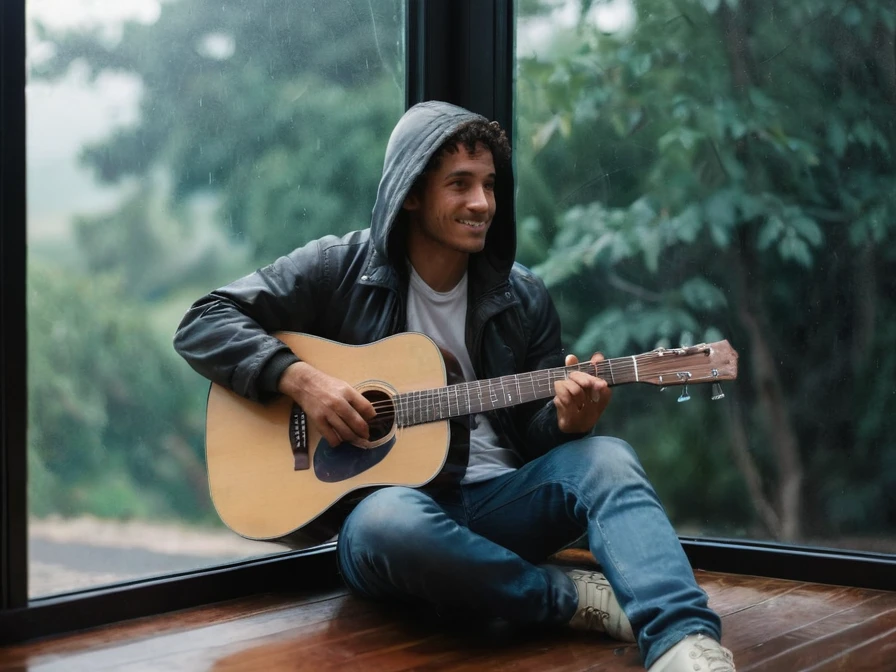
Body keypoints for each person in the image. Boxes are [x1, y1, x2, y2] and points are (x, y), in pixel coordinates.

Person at [173, 100, 736, 671]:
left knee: (608, 458)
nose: (482, 204)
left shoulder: (523, 296)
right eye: (460, 185)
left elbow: (538, 439)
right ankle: (566, 598)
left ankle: (684, 641)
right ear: (410, 193)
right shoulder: (337, 267)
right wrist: (301, 379)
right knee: (388, 520)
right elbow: (203, 321)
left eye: (490, 185)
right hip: (396, 526)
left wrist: (570, 423)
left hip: (504, 505)